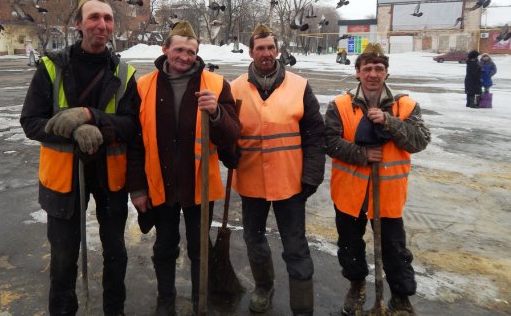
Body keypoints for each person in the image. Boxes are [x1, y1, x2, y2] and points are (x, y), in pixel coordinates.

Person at [20, 0, 140, 316]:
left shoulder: (124, 73)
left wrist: (91, 119)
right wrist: (72, 130)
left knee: (116, 253)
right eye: (94, 17)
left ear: (113, 26)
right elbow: (30, 121)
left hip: (109, 176)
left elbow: (131, 125)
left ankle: (114, 311)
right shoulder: (50, 68)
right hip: (63, 178)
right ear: (79, 24)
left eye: (108, 19)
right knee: (63, 258)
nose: (101, 24)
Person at [128, 20, 240, 315]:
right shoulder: (143, 86)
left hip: (199, 185)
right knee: (164, 247)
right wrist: (137, 188)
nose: (184, 57)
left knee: (199, 248)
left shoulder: (215, 85)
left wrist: (216, 113)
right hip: (159, 182)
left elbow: (231, 135)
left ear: (197, 54)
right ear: (165, 49)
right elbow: (135, 142)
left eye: (191, 51)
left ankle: (199, 300)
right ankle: (166, 301)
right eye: (178, 49)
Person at [324, 43, 430, 316]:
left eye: (379, 69)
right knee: (350, 246)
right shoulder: (340, 105)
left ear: (386, 74)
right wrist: (361, 153)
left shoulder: (405, 105)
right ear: (357, 72)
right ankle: (356, 285)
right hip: (349, 195)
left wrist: (389, 121)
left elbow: (419, 141)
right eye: (367, 68)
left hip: (389, 195)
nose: (373, 74)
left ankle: (400, 299)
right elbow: (329, 141)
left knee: (395, 250)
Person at [229, 24, 325, 316]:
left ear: (278, 50)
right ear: (251, 52)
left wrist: (311, 175)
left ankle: (302, 305)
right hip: (251, 182)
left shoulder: (299, 86)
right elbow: (227, 132)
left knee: (295, 245)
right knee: (253, 239)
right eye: (260, 48)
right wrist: (227, 152)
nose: (266, 53)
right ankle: (263, 286)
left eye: (271, 48)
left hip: (290, 183)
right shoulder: (234, 88)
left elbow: (314, 133)